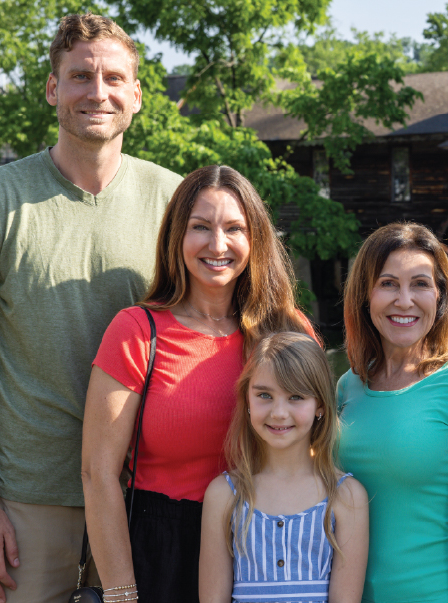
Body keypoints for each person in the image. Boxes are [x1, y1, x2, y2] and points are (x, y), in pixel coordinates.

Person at [0, 13, 182, 603]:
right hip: (29, 504)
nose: (98, 92)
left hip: (149, 494)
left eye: (115, 78)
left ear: (137, 95)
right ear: (52, 89)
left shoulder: (175, 200)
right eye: (80, 76)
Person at [82, 165, 317, 603]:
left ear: (256, 239)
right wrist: (121, 593)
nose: (217, 244)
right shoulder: (136, 332)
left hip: (270, 545)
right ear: (177, 236)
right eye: (200, 227)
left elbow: (319, 444)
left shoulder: (288, 330)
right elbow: (98, 475)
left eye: (234, 228)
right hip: (163, 554)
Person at [337, 222, 448, 603]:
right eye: (388, 283)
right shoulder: (347, 385)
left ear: (440, 296)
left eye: (420, 284)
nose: (404, 300)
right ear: (365, 295)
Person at [200, 332, 369, 603]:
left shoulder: (346, 496)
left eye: (296, 397)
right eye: (265, 395)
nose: (279, 412)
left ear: (321, 406)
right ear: (247, 401)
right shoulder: (224, 495)